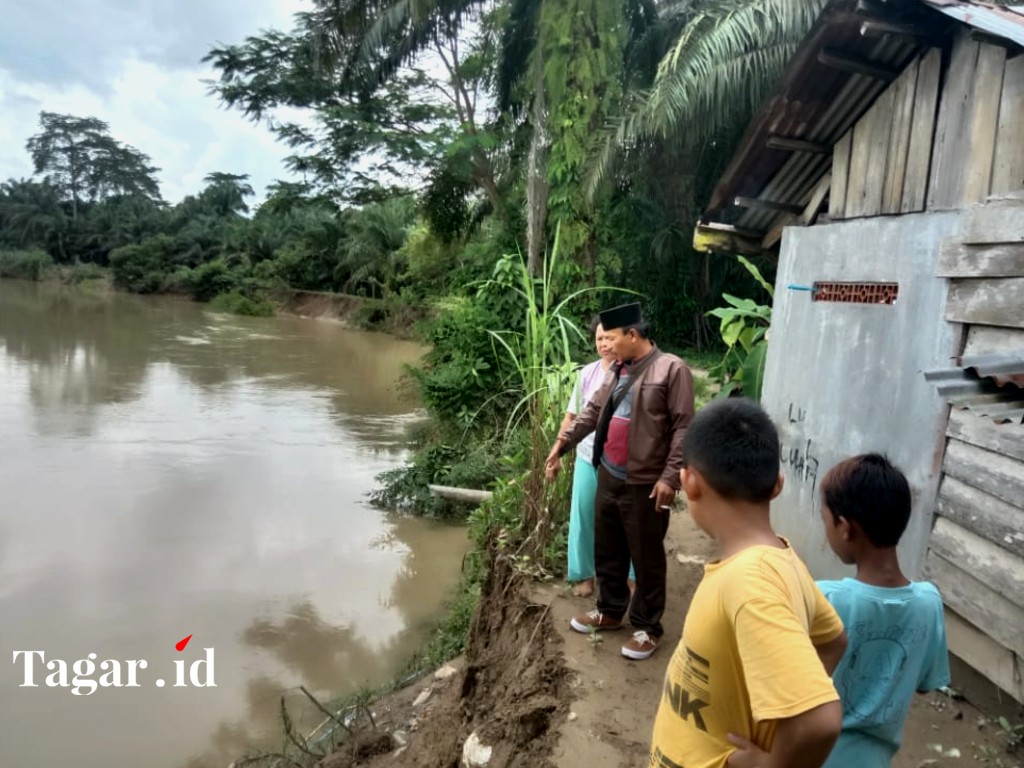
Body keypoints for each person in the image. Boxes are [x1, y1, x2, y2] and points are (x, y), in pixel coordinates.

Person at [649, 398, 848, 768]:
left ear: (688, 482)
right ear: (777, 485)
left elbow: (819, 722)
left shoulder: (749, 582)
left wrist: (767, 764)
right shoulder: (781, 559)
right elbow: (833, 639)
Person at [545, 301, 694, 661]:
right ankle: (610, 610)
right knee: (608, 546)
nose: (607, 345)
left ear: (632, 334)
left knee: (646, 555)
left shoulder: (671, 369)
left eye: (612, 338)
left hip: (645, 482)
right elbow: (594, 410)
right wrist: (563, 443)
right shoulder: (617, 371)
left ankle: (646, 626)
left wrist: (670, 478)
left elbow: (684, 428)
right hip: (609, 473)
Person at [816, 453, 951, 768]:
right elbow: (924, 682)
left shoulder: (825, 600)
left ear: (845, 528)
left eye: (826, 521)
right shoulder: (929, 604)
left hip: (814, 757)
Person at [556, 317, 621, 597]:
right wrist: (557, 451)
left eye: (609, 338)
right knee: (582, 515)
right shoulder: (587, 374)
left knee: (621, 520)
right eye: (599, 339)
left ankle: (627, 577)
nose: (604, 344)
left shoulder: (634, 372)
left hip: (620, 460)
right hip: (586, 455)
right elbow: (572, 415)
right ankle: (584, 575)